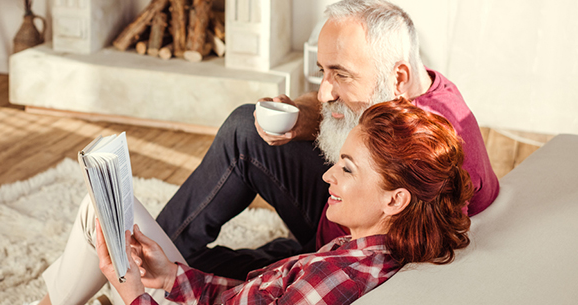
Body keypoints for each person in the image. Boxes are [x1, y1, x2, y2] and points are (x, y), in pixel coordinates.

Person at [155, 0, 500, 280]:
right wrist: (298, 116)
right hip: (343, 213)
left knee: (188, 271)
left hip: (337, 254)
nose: (324, 93)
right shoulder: (410, 90)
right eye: (324, 71)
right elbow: (326, 107)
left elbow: (376, 270)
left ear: (398, 77)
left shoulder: (430, 155)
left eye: (341, 75)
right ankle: (163, 248)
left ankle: (158, 258)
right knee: (245, 127)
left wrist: (287, 274)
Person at [39, 99, 473, 305]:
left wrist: (133, 293)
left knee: (98, 210)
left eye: (347, 168)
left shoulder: (334, 278)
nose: (327, 175)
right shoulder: (368, 253)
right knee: (110, 211)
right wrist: (172, 276)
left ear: (395, 199)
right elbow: (254, 297)